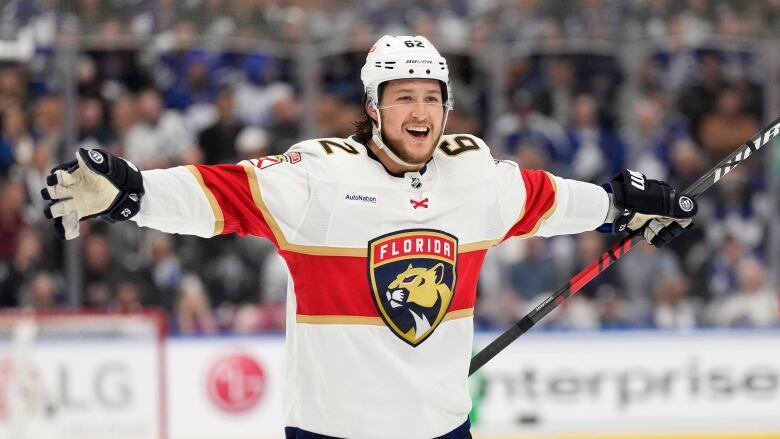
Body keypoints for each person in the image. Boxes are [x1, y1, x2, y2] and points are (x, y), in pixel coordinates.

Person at [39, 36, 697, 439]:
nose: (420, 112)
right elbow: (218, 194)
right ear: (374, 107)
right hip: (331, 434)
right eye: (402, 96)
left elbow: (547, 200)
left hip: (440, 432)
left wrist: (619, 205)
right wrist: (131, 193)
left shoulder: (472, 175)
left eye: (431, 97)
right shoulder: (318, 177)